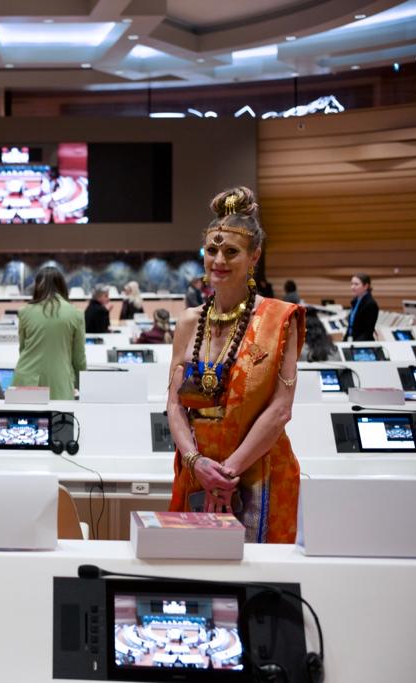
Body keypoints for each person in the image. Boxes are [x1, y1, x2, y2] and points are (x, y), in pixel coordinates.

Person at [166, 186, 304, 543]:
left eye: (231, 251)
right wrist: (196, 463)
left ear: (254, 255)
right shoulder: (188, 322)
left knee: (260, 575)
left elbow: (280, 410)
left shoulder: (279, 319)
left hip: (258, 470)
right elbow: (174, 404)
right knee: (194, 569)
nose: (219, 260)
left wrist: (226, 473)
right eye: (211, 251)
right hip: (197, 471)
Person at [12, 267, 86, 400]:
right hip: (59, 381)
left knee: (24, 414)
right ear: (62, 285)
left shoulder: (24, 312)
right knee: (59, 414)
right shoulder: (76, 314)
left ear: (37, 286)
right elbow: (79, 357)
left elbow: (23, 348)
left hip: (26, 378)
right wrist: (82, 384)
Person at [344, 273, 378, 342]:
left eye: (356, 284)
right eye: (352, 284)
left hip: (362, 344)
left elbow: (367, 332)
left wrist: (354, 345)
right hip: (352, 340)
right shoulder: (355, 301)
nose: (352, 287)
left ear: (366, 286)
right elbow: (351, 326)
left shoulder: (371, 304)